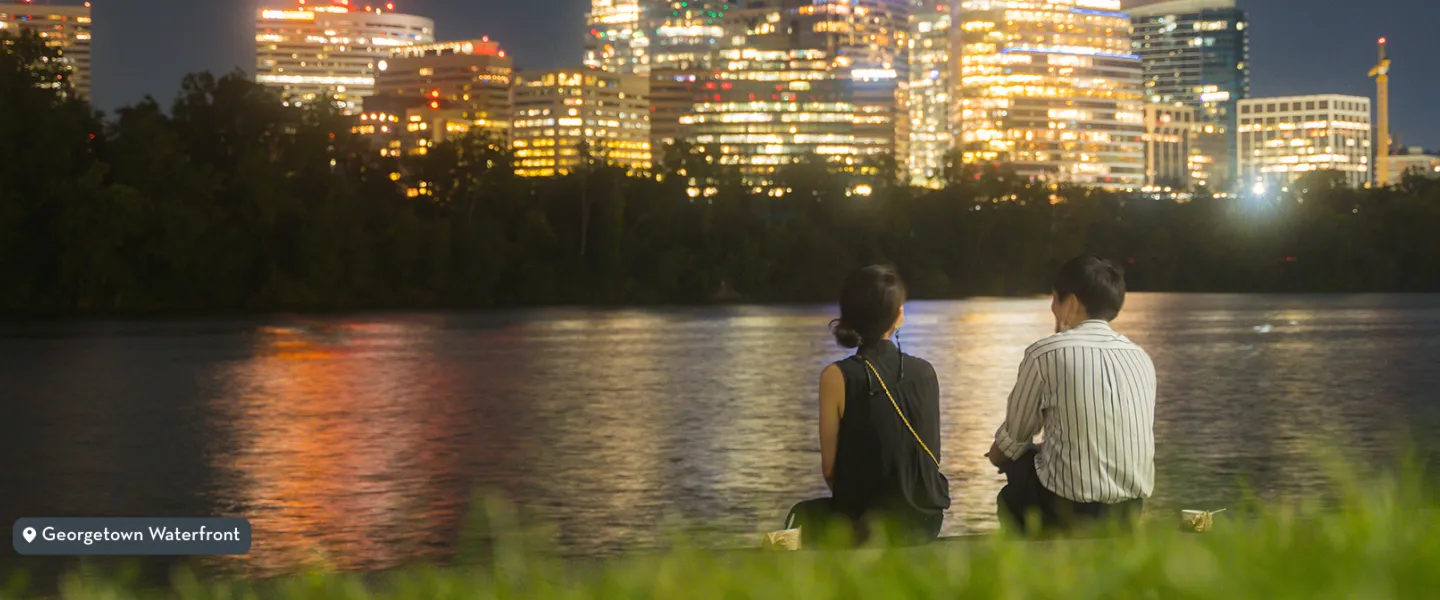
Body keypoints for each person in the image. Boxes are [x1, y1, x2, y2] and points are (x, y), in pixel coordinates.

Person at [986, 255, 1156, 536]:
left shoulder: (1046, 354)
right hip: (1130, 509)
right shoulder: (1141, 358)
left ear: (1072, 303)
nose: (1052, 309)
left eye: (1054, 300)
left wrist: (995, 456)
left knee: (1011, 489)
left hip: (1069, 507)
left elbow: (1013, 440)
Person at [785, 265, 950, 547]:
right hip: (927, 521)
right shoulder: (926, 372)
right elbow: (930, 455)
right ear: (898, 316)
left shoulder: (836, 377)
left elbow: (829, 470)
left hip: (869, 527)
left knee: (800, 517)